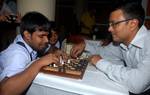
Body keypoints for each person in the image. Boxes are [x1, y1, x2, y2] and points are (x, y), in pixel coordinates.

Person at [71, 1, 150, 95]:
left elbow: (137, 84)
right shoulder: (123, 43)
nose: (109, 29)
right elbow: (103, 52)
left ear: (132, 24)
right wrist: (85, 44)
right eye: (109, 24)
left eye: (114, 24)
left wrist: (100, 62)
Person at [0, 12, 66, 95]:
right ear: (27, 35)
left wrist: (57, 51)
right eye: (41, 36)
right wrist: (39, 63)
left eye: (47, 36)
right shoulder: (18, 54)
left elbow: (50, 48)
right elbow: (5, 91)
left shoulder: (31, 43)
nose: (46, 40)